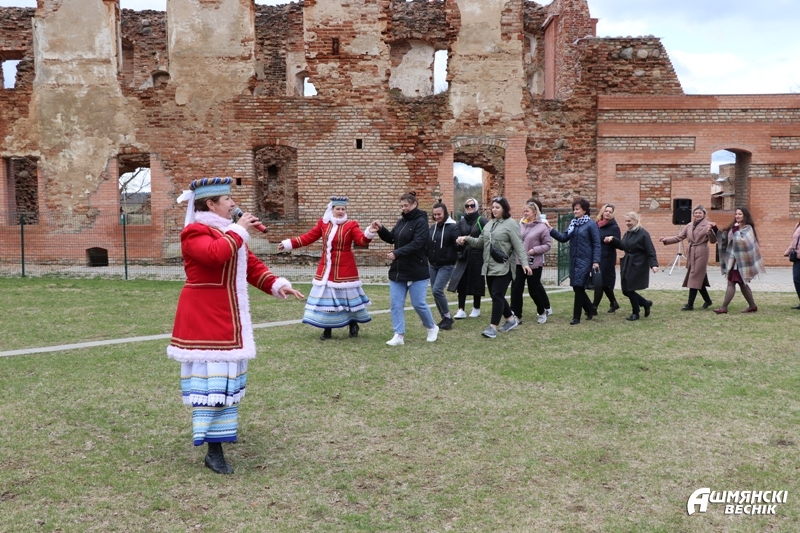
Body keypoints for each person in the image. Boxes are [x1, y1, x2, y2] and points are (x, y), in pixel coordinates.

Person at [168, 177, 304, 474]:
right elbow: (214, 255)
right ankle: (212, 450)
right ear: (210, 204)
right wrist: (240, 229)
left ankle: (221, 435)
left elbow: (250, 266)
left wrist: (276, 284)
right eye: (227, 200)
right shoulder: (194, 231)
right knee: (211, 383)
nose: (233, 204)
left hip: (228, 316)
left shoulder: (229, 232)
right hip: (204, 317)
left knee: (227, 381)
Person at [278, 196, 372, 340]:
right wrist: (288, 244)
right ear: (332, 209)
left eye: (343, 209)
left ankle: (353, 324)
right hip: (326, 270)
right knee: (327, 302)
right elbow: (308, 237)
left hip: (345, 270)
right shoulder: (324, 224)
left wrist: (369, 232)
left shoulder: (351, 225)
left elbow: (361, 241)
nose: (340, 211)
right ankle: (327, 330)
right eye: (338, 209)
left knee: (347, 300)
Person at [367, 192, 439, 345]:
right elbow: (392, 238)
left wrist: (397, 253)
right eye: (402, 206)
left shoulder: (421, 222)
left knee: (418, 303)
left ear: (414, 204)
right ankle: (398, 335)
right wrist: (381, 229)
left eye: (406, 205)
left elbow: (417, 243)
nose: (404, 208)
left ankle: (432, 327)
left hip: (417, 268)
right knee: (396, 304)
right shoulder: (401, 222)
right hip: (399, 269)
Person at [457, 196, 532, 338]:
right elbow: (480, 242)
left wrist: (525, 263)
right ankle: (510, 319)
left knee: (497, 294)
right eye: (493, 207)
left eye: (497, 207)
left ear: (504, 208)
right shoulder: (489, 224)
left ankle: (492, 327)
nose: (494, 210)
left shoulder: (511, 224)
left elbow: (519, 245)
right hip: (489, 266)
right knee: (496, 295)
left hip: (504, 266)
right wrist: (466, 239)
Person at [545, 197, 600, 325]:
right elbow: (563, 238)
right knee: (576, 287)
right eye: (574, 209)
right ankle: (591, 308)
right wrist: (550, 229)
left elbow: (597, 244)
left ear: (584, 210)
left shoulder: (591, 224)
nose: (575, 211)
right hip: (574, 259)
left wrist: (596, 261)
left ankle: (576, 317)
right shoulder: (573, 223)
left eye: (577, 209)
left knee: (579, 287)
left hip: (586, 260)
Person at [659, 205, 717, 310]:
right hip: (691, 252)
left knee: (694, 276)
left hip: (701, 252)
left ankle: (690, 304)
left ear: (704, 214)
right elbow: (679, 237)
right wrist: (666, 240)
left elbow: (713, 241)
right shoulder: (689, 225)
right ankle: (708, 301)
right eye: (696, 213)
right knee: (698, 278)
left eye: (700, 213)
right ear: (693, 214)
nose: (697, 215)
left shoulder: (708, 225)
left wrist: (710, 231)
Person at [604, 212, 659, 321]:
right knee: (625, 290)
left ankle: (636, 312)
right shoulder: (628, 233)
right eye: (626, 221)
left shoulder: (643, 233)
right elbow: (623, 246)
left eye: (629, 221)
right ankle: (645, 303)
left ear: (636, 220)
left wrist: (654, 264)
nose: (627, 223)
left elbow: (650, 250)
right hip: (627, 262)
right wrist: (613, 239)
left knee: (629, 289)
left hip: (638, 264)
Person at [712, 207, 765, 314]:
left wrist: (736, 229)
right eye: (736, 214)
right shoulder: (734, 227)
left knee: (731, 283)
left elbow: (741, 241)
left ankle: (724, 308)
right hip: (734, 261)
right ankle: (752, 306)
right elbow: (724, 238)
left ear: (745, 216)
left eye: (740, 214)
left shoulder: (748, 228)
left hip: (741, 262)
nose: (737, 216)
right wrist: (715, 228)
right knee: (742, 284)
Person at [509, 199, 552, 324]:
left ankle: (542, 311)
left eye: (527, 211)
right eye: (524, 211)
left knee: (534, 290)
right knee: (516, 289)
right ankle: (517, 315)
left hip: (534, 264)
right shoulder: (521, 225)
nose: (525, 213)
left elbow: (548, 245)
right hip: (519, 262)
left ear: (534, 212)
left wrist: (535, 250)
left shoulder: (542, 227)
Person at [448, 198, 487, 319]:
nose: (469, 207)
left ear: (476, 206)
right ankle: (461, 309)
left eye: (472, 205)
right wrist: (458, 241)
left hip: (478, 255)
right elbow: (457, 234)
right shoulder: (462, 221)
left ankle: (476, 307)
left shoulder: (481, 220)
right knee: (462, 281)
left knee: (477, 280)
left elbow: (487, 236)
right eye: (467, 205)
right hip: (464, 254)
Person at [427, 201, 460, 330]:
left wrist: (460, 242)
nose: (437, 217)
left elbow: (458, 245)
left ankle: (447, 317)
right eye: (434, 214)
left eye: (439, 214)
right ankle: (445, 318)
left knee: (437, 290)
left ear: (445, 213)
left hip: (447, 265)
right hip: (433, 265)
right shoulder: (432, 228)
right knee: (435, 292)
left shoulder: (453, 228)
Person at [593, 203, 622, 313]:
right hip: (596, 257)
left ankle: (594, 307)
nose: (608, 213)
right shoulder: (596, 225)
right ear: (602, 212)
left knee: (600, 283)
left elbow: (619, 244)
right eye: (606, 211)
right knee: (604, 284)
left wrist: (612, 239)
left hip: (607, 258)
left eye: (610, 212)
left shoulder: (614, 227)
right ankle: (614, 303)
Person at [784, 219, 800, 309]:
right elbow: (794, 241)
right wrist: (788, 251)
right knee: (797, 279)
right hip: (797, 258)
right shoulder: (797, 225)